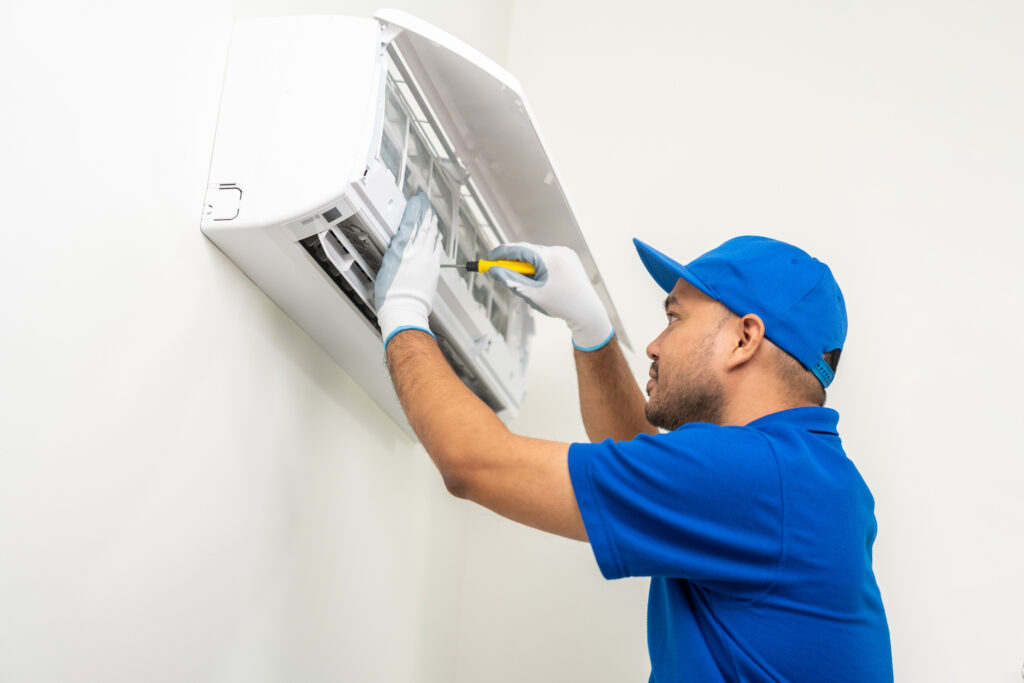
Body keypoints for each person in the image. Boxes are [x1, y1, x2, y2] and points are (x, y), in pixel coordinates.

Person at [375, 192, 893, 682]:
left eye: (675, 318)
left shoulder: (756, 475)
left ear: (744, 339)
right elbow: (640, 458)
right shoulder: (802, 472)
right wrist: (588, 326)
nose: (652, 344)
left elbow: (474, 463)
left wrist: (403, 312)